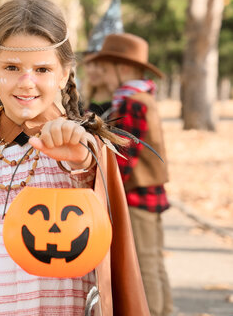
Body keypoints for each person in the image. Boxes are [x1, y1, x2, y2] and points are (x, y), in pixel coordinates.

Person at [0, 0, 150, 316]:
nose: (27, 82)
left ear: (64, 74)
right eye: (12, 67)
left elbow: (95, 196)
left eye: (42, 69)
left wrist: (82, 161)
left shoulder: (84, 148)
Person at [85, 33, 173, 316]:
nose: (102, 75)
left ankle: (154, 311)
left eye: (106, 68)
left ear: (122, 69)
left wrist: (104, 189)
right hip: (147, 195)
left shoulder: (134, 102)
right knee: (153, 261)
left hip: (136, 197)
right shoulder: (139, 98)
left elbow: (125, 158)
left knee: (145, 263)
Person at [82, 0, 124, 117]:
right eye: (88, 64)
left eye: (97, 64)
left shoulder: (123, 106)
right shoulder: (81, 103)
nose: (91, 70)